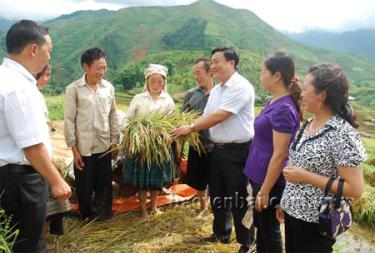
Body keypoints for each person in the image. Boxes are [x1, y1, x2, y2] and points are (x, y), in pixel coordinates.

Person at [172, 47, 255, 253]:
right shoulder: (218, 89)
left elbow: (220, 115)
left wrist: (190, 128)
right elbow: (206, 117)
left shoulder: (241, 86)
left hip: (237, 151)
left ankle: (247, 242)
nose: (213, 65)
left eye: (217, 61)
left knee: (238, 199)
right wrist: (186, 127)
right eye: (212, 61)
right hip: (217, 150)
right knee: (218, 195)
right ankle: (221, 234)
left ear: (231, 63)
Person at [278, 63, 367, 253]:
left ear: (322, 95)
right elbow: (300, 166)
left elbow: (355, 189)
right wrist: (286, 202)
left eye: (305, 89)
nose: (301, 94)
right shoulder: (310, 123)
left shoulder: (342, 134)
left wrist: (305, 176)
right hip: (294, 214)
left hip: (317, 222)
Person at [0, 20, 71, 253]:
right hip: (22, 182)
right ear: (33, 49)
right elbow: (31, 145)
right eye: (47, 51)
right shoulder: (19, 87)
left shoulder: (4, 78)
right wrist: (56, 181)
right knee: (28, 245)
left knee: (12, 241)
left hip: (7, 179)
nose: (48, 57)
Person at [243, 52, 302, 253]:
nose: (261, 76)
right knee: (262, 228)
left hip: (269, 180)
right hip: (259, 175)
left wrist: (265, 191)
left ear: (276, 76)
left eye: (263, 72)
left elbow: (280, 154)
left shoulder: (283, 109)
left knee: (270, 232)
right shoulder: (274, 102)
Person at [64, 47, 120, 221]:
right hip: (83, 148)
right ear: (86, 67)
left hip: (103, 146)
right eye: (98, 68)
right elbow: (69, 121)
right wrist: (74, 150)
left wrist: (114, 142)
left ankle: (104, 215)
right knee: (84, 185)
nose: (102, 72)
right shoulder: (74, 89)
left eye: (104, 67)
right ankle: (86, 216)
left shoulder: (108, 88)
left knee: (104, 183)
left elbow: (113, 116)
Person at [122, 63, 175, 219]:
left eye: (160, 81)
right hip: (143, 146)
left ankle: (154, 206)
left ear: (164, 82)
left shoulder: (168, 100)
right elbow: (127, 119)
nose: (156, 85)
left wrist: (166, 134)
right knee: (143, 179)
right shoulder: (139, 98)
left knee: (156, 178)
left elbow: (172, 121)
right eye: (153, 81)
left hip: (159, 146)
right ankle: (143, 209)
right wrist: (132, 133)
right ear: (147, 82)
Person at [35, 65, 71, 237]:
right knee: (38, 210)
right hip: (34, 162)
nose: (45, 79)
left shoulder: (39, 97)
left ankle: (43, 239)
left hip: (44, 158)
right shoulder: (24, 95)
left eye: (48, 75)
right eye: (42, 75)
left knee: (48, 209)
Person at [181, 58, 214, 219]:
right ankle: (203, 207)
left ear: (210, 72)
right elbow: (182, 118)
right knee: (199, 179)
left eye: (199, 73)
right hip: (197, 145)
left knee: (216, 179)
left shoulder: (220, 94)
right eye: (195, 74)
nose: (196, 77)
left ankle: (217, 207)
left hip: (217, 146)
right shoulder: (191, 94)